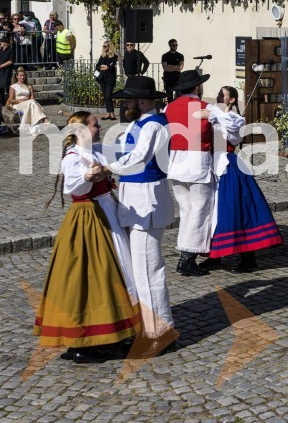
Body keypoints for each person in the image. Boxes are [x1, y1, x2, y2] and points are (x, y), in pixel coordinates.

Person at [36, 112, 141, 363]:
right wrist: (87, 176)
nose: (100, 127)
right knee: (93, 275)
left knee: (112, 271)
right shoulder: (74, 157)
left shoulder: (95, 151)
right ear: (82, 130)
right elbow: (73, 187)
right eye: (95, 125)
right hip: (88, 216)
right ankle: (86, 341)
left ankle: (108, 336)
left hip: (104, 211)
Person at [102, 76, 177, 354]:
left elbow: (139, 158)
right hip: (134, 200)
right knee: (139, 270)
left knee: (148, 269)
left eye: (129, 100)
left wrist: (108, 169)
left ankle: (160, 332)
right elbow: (125, 154)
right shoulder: (137, 123)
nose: (125, 104)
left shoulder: (154, 124)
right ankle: (147, 326)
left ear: (143, 101)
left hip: (146, 200)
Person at [198, 85, 283, 273]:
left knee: (233, 210)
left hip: (228, 167)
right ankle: (214, 256)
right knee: (211, 212)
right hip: (211, 165)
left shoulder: (236, 119)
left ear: (232, 100)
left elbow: (229, 126)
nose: (219, 96)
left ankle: (248, 258)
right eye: (218, 93)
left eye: (223, 94)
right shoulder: (214, 114)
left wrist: (212, 112)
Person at [166, 69, 215, 276]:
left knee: (186, 209)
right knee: (200, 210)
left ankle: (184, 252)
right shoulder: (205, 108)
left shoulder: (169, 107)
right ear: (197, 87)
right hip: (198, 162)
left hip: (176, 163)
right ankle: (187, 257)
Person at [6, 67, 50, 134]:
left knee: (32, 102)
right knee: (31, 103)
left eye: (24, 75)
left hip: (28, 103)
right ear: (17, 76)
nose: (22, 77)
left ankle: (33, 128)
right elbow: (11, 100)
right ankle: (44, 119)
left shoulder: (29, 86)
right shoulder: (13, 86)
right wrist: (21, 100)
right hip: (18, 104)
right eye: (20, 75)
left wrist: (28, 100)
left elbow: (32, 98)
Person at [95, 38, 119, 120]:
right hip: (103, 78)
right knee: (105, 96)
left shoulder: (114, 56)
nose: (104, 48)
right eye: (103, 46)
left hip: (110, 78)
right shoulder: (102, 56)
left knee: (109, 95)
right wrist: (103, 67)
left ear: (110, 47)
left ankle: (112, 113)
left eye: (106, 46)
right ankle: (108, 113)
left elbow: (112, 67)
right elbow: (97, 65)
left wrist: (106, 67)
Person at [161, 38, 184, 103]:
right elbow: (165, 68)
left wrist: (170, 66)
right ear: (170, 46)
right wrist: (176, 68)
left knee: (179, 96)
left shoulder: (180, 55)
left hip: (177, 79)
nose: (175, 46)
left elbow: (181, 67)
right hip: (168, 79)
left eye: (176, 45)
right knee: (169, 97)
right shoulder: (165, 56)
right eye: (173, 45)